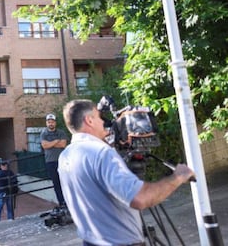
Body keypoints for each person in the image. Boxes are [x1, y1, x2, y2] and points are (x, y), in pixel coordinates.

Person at [58, 99, 196, 246]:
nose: (104, 122)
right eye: (99, 117)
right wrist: (178, 177)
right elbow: (140, 198)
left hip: (91, 241)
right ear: (89, 120)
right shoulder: (101, 153)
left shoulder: (66, 155)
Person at [40, 113, 68, 207]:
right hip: (50, 162)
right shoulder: (44, 133)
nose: (50, 123)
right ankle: (62, 203)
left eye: (52, 122)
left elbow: (63, 144)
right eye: (49, 122)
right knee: (56, 184)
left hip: (62, 160)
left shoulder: (61, 132)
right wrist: (56, 141)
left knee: (65, 182)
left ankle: (69, 202)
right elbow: (44, 146)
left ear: (55, 123)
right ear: (46, 123)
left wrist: (50, 144)